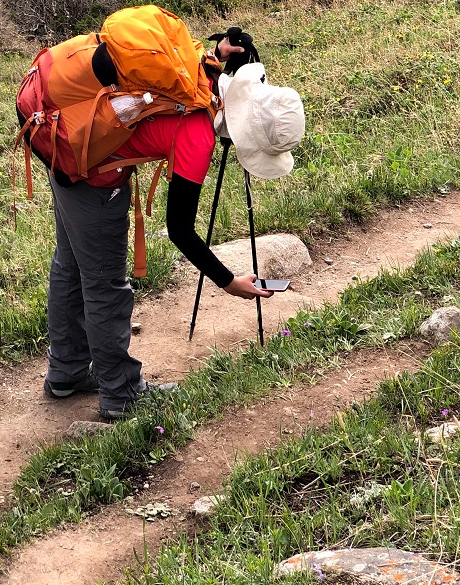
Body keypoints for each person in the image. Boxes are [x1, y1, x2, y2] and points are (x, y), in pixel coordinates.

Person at [40, 23, 306, 421]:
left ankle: (67, 371)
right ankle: (120, 392)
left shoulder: (202, 75)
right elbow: (180, 228)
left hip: (58, 129)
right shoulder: (198, 135)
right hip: (88, 171)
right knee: (105, 282)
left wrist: (223, 50)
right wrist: (229, 281)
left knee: (71, 265)